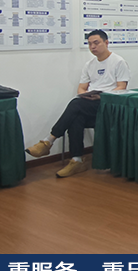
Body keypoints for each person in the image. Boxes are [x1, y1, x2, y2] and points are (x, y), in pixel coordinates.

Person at [25, 30, 130, 177]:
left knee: (75, 104)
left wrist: (101, 96)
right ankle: (76, 160)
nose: (92, 47)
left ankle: (49, 140)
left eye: (96, 43)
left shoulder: (118, 62)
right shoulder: (89, 64)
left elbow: (121, 87)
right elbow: (81, 88)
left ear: (106, 43)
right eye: (90, 44)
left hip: (109, 104)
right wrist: (86, 95)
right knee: (75, 118)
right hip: (90, 104)